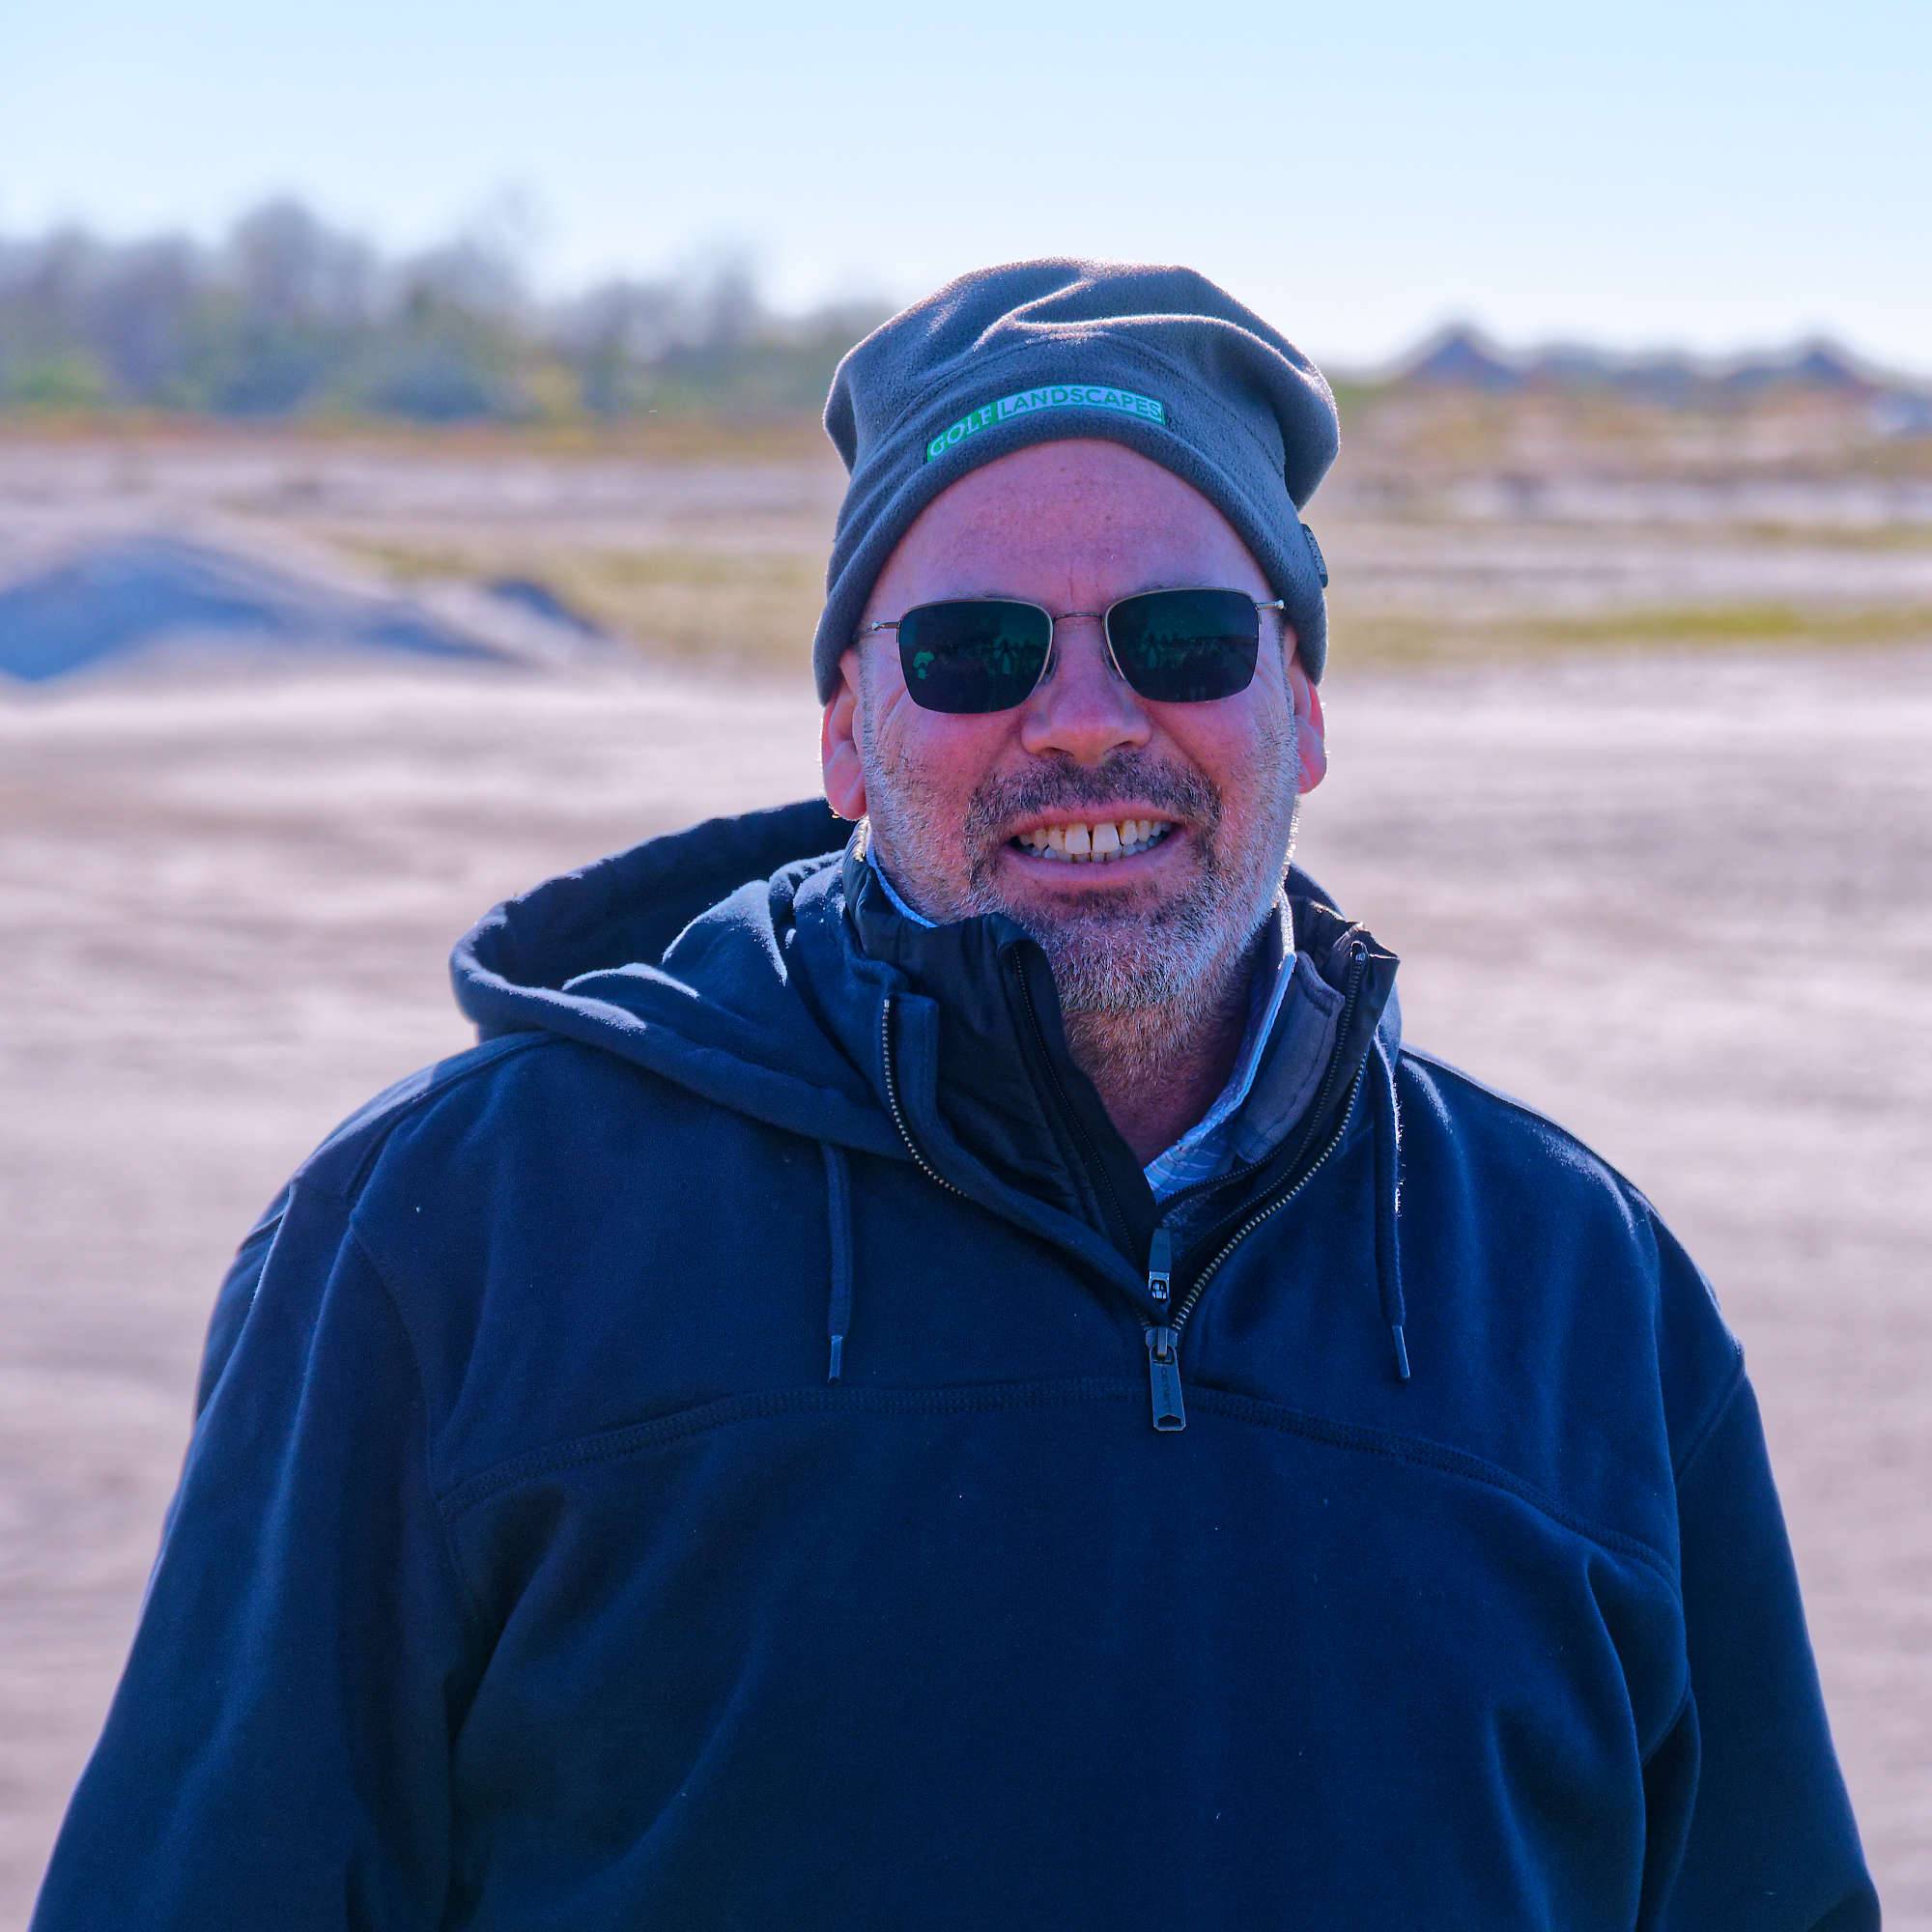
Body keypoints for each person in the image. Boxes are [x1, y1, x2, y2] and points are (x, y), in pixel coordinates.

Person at [32, 261, 1877, 1929]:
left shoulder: (1581, 1296)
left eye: (1184, 641)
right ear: (846, 726)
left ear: (1301, 704)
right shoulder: (449, 1244)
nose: (1085, 719)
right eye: (977, 650)